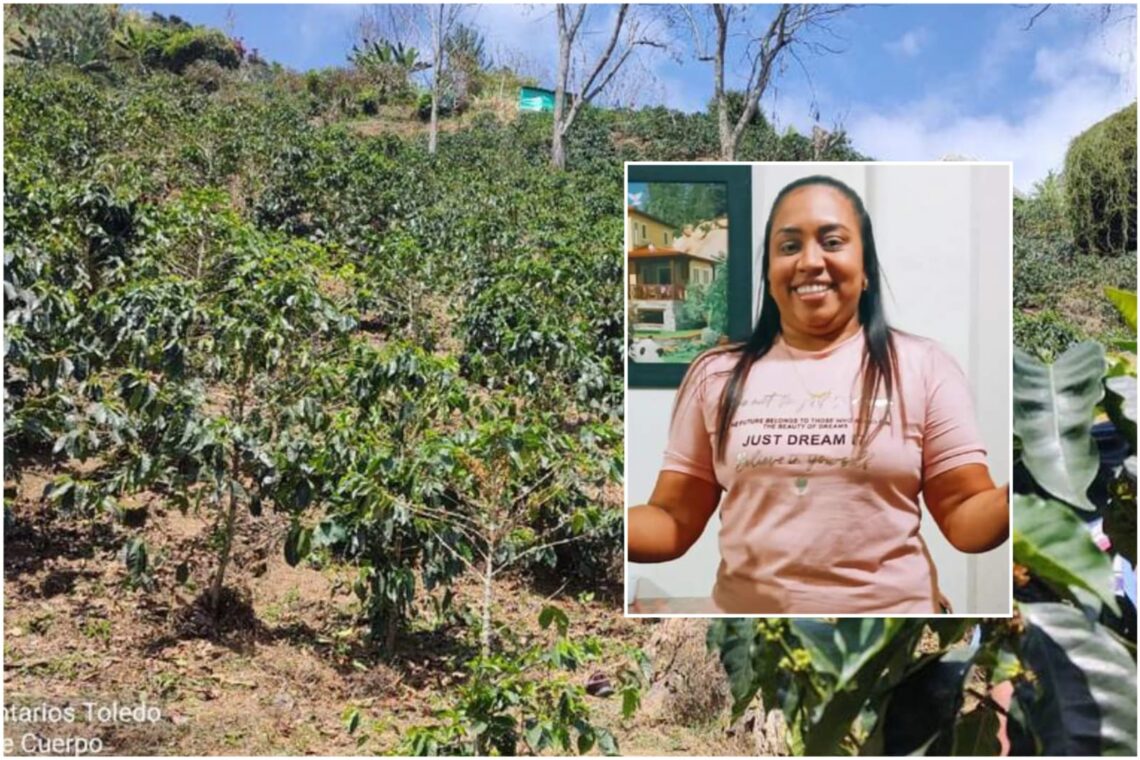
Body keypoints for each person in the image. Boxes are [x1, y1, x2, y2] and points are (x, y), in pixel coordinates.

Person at [627, 175, 1009, 614]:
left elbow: (964, 514)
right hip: (754, 644)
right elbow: (673, 520)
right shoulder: (717, 374)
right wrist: (587, 531)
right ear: (769, 273)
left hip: (889, 641)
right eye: (789, 247)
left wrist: (1022, 496)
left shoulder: (923, 366)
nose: (810, 261)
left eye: (832, 241)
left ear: (865, 268)